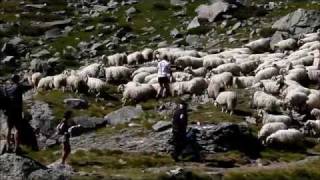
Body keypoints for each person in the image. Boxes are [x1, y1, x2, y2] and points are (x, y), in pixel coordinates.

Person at [4, 74, 31, 153]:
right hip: (17, 111)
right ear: (18, 79)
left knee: (9, 128)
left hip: (9, 111)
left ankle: (8, 146)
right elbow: (31, 85)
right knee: (17, 129)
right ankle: (16, 147)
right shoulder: (19, 87)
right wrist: (29, 78)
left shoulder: (7, 87)